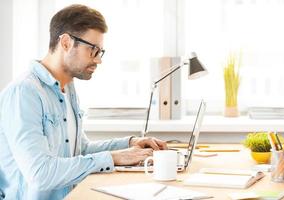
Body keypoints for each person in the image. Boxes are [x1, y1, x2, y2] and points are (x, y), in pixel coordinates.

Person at [0, 4, 167, 200]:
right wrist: (114, 158)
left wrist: (130, 143)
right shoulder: (24, 92)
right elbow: (40, 174)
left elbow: (80, 150)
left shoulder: (67, 88)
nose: (98, 60)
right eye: (93, 50)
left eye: (100, 52)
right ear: (65, 43)